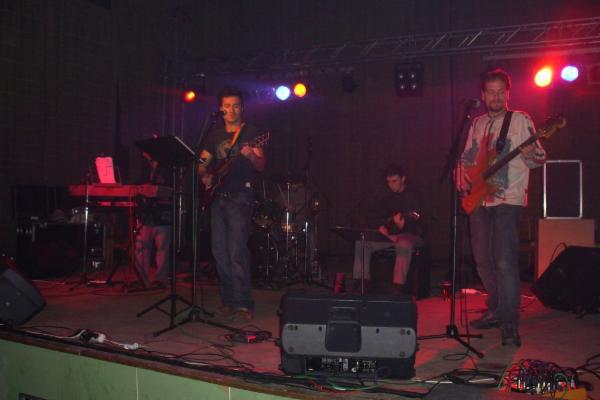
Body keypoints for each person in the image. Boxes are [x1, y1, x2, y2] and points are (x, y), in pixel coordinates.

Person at [455, 68, 546, 347]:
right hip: (479, 200)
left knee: (505, 261)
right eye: (490, 92)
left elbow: (538, 158)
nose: (495, 97)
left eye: (500, 92)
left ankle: (509, 323)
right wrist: (462, 177)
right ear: (482, 95)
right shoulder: (477, 123)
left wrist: (532, 155)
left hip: (507, 199)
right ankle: (496, 309)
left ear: (508, 94)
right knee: (483, 261)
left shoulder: (520, 120)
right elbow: (468, 157)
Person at [198, 86, 266, 321]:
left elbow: (261, 165)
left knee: (236, 252)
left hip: (240, 196)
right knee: (219, 252)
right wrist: (205, 175)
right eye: (227, 106)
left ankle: (243, 304)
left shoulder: (252, 133)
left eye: (236, 106)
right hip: (217, 198)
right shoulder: (214, 135)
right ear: (221, 108)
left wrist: (251, 155)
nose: (231, 110)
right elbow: (202, 163)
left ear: (242, 108)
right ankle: (228, 302)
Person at [352, 164, 424, 295]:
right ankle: (361, 283)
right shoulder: (385, 195)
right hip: (391, 236)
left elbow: (418, 218)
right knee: (362, 243)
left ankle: (398, 287)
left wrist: (404, 225)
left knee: (403, 243)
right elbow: (373, 216)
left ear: (403, 179)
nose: (391, 185)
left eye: (395, 181)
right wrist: (380, 227)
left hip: (412, 235)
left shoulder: (414, 195)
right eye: (389, 181)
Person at [133, 150, 172, 289]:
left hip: (162, 213)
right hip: (146, 213)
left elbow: (171, 189)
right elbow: (137, 187)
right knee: (141, 246)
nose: (145, 154)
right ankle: (141, 278)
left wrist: (154, 190)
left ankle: (160, 279)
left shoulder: (167, 167)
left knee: (162, 248)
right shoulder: (143, 167)